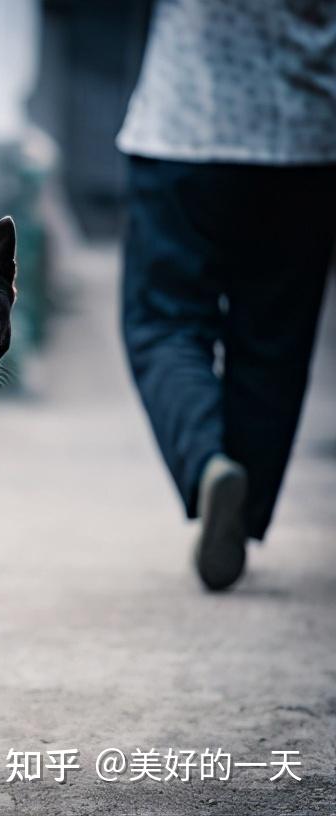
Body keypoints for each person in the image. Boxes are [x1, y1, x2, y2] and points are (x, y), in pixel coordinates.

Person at [117, 0, 336, 591]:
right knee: (274, 340)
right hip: (308, 142)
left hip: (185, 129)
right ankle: (240, 515)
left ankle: (208, 465)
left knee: (164, 321)